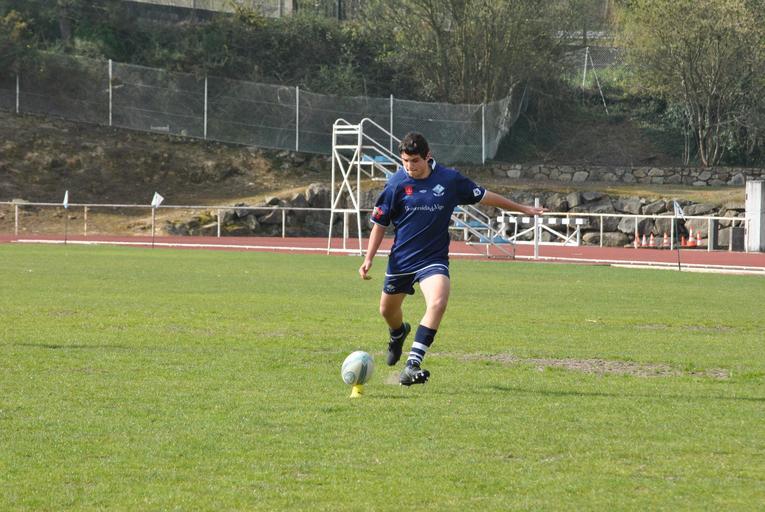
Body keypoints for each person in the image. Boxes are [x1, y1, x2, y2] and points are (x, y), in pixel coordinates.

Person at [358, 132, 546, 386]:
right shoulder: (395, 184)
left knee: (438, 302)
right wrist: (368, 258)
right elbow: (380, 224)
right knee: (387, 311)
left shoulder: (449, 179)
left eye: (415, 161)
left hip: (433, 259)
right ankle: (398, 333)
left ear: (428, 156)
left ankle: (412, 365)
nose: (410, 166)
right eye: (405, 161)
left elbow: (485, 196)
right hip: (402, 260)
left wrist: (523, 209)